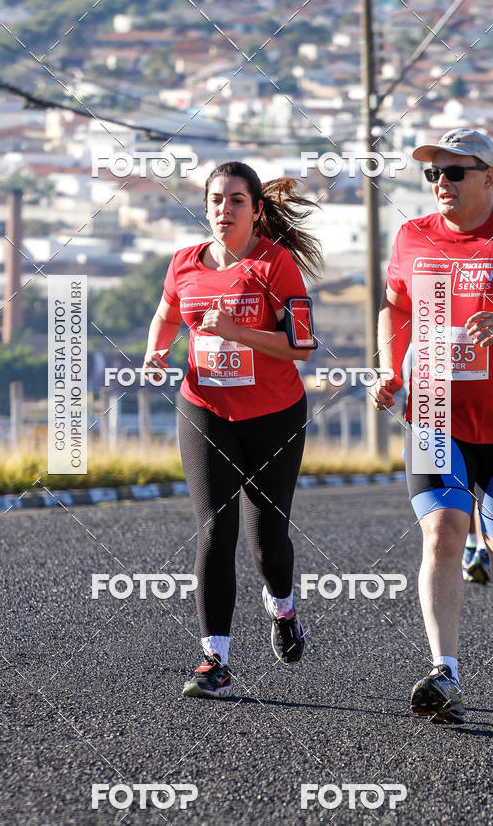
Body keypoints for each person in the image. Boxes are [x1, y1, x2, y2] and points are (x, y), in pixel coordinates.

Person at [373, 128, 493, 723]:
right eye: (432, 175)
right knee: (443, 532)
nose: (440, 184)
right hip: (434, 416)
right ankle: (444, 671)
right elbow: (393, 305)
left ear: (489, 177)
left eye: (454, 172)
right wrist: (386, 367)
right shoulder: (412, 237)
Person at [144, 161, 323, 699]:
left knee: (267, 538)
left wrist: (238, 332)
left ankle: (283, 608)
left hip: (274, 414)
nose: (225, 209)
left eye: (237, 200)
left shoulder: (276, 265)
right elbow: (167, 315)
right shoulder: (184, 264)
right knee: (215, 528)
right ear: (205, 207)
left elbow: (302, 346)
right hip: (204, 409)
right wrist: (156, 352)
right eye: (217, 200)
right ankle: (214, 660)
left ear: (256, 209)